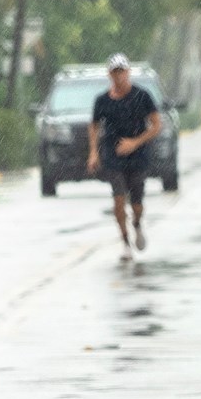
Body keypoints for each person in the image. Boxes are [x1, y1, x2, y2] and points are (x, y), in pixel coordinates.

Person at [87, 54, 162, 260]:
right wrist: (93, 152)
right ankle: (125, 242)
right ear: (110, 74)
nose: (118, 76)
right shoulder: (102, 101)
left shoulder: (142, 96)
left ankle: (137, 223)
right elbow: (94, 126)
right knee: (118, 200)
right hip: (113, 155)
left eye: (122, 71)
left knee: (136, 203)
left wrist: (135, 143)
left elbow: (156, 125)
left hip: (138, 156)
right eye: (115, 72)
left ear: (128, 72)